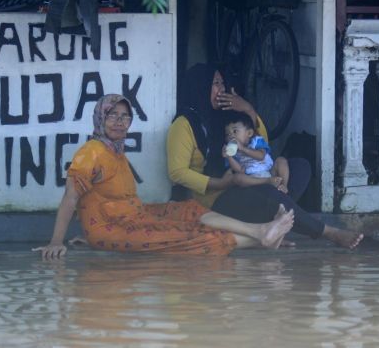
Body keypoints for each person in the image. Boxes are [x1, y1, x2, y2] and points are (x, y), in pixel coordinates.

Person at [34, 94, 295, 260]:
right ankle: (262, 237)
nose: (119, 122)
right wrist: (57, 241)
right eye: (112, 115)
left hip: (132, 218)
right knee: (185, 235)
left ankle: (260, 232)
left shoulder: (113, 150)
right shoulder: (91, 152)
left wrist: (96, 238)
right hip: (117, 227)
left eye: (125, 116)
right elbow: (70, 197)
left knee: (188, 210)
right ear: (100, 117)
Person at [167, 63, 363, 249]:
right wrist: (220, 183)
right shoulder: (184, 124)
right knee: (271, 194)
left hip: (246, 178)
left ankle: (277, 227)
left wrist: (248, 110)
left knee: (300, 167)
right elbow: (177, 173)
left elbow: (262, 145)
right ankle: (328, 232)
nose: (222, 88)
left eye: (222, 83)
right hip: (215, 196)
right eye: (215, 83)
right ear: (199, 87)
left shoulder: (226, 116)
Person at [222, 110, 290, 193]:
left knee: (281, 160)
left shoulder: (257, 141)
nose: (231, 136)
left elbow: (261, 156)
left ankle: (283, 186)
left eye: (235, 131)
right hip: (252, 179)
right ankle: (267, 182)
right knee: (237, 178)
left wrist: (243, 148)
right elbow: (240, 170)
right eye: (227, 134)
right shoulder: (233, 152)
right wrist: (229, 156)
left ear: (249, 133)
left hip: (269, 172)